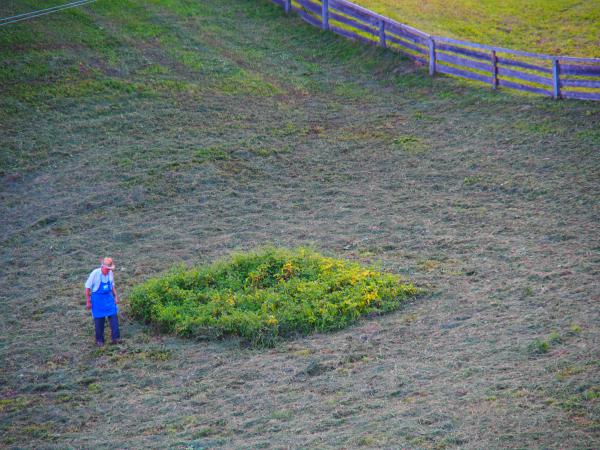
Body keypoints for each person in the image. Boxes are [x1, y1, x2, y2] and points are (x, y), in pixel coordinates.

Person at [85, 257, 120, 346]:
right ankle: (99, 340)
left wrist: (115, 296)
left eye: (110, 269)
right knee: (99, 320)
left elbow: (112, 286)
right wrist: (88, 301)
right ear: (103, 266)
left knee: (114, 317)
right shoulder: (95, 273)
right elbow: (87, 287)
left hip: (109, 299)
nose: (109, 270)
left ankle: (116, 339)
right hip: (97, 300)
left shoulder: (110, 273)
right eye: (107, 269)